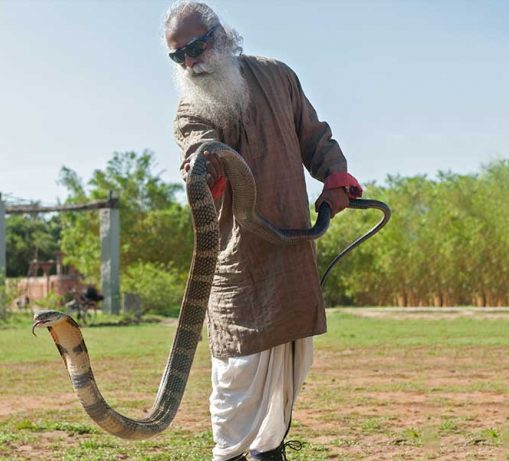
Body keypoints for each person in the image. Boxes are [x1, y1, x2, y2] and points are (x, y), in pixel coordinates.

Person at [164, 2, 362, 460]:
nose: (191, 62)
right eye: (179, 56)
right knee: (237, 382)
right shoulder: (191, 109)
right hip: (240, 266)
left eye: (196, 48)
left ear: (221, 35)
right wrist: (204, 166)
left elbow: (315, 137)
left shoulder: (279, 76)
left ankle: (270, 453)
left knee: (287, 381)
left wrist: (335, 177)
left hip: (292, 255)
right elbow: (196, 151)